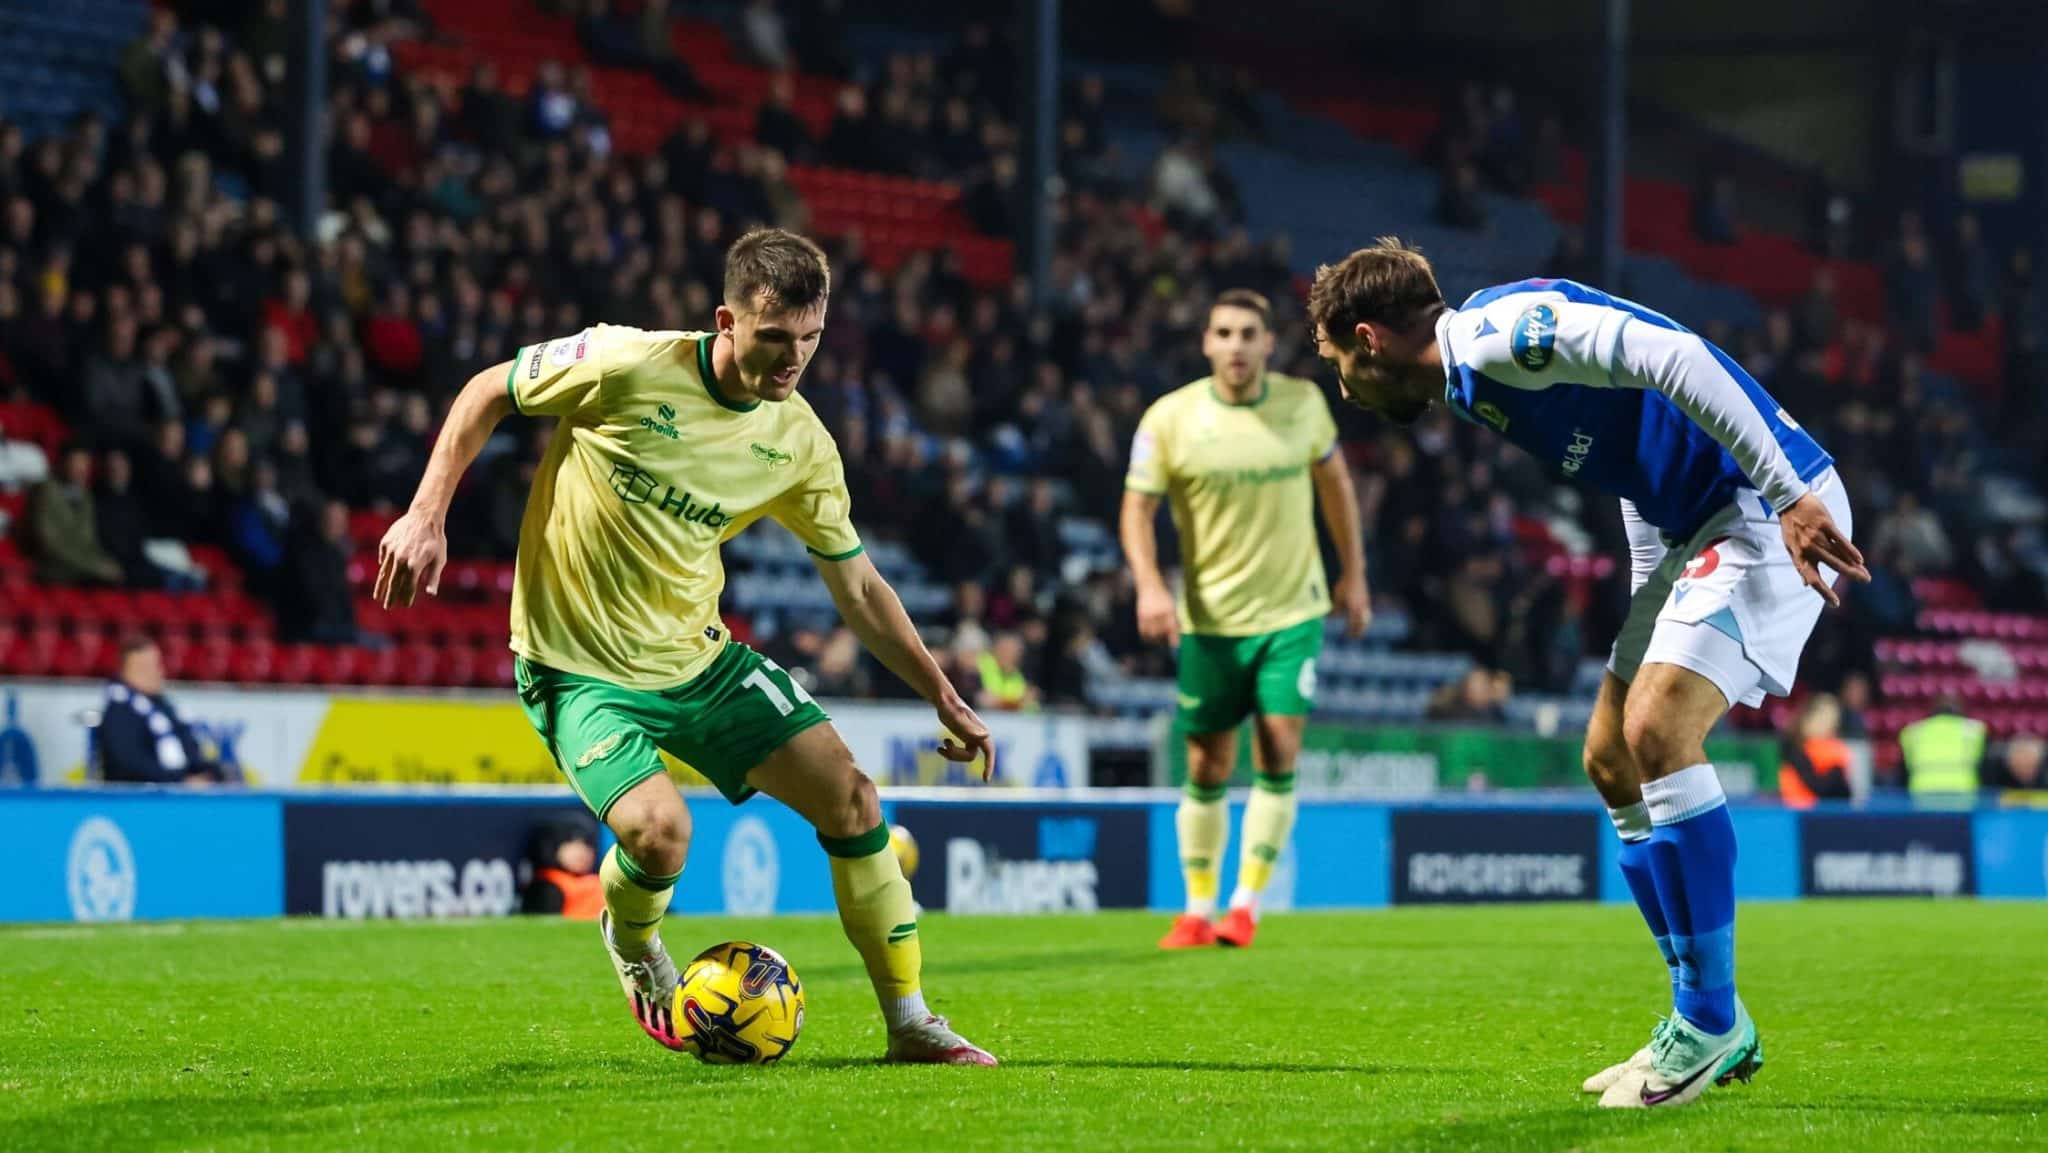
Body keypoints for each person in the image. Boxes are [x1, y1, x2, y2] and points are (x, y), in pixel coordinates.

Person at [374, 228, 997, 1065]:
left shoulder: (800, 442)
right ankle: (635, 946)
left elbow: (857, 585)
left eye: (809, 341)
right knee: (660, 834)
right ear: (726, 321)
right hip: (576, 664)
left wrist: (940, 689)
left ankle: (912, 1021)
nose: (791, 361)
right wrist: (426, 513)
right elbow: (488, 389)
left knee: (855, 800)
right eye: (775, 339)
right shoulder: (625, 364)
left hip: (699, 660)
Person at [1308, 239, 1865, 1109]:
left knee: (1658, 731)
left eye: (1341, 363)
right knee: (1610, 754)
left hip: (1759, 504)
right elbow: (1632, 456)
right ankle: (1701, 1016)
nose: (1345, 387)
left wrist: (1789, 493)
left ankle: (1711, 1018)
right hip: (1691, 529)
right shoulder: (1476, 385)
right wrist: (1656, 591)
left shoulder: (1499, 336)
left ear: (1370, 338)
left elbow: (1675, 355)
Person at [1121, 288, 1370, 951]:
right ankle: (1197, 908)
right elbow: (1136, 509)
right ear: (1206, 342)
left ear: (1268, 343)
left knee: (1280, 744)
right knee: (1205, 763)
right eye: (1224, 332)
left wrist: (1355, 573)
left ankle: (1245, 903)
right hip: (1209, 617)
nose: (1236, 344)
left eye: (1248, 333)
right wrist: (1149, 584)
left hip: (1294, 608)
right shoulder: (1169, 419)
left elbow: (1336, 488)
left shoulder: (1303, 405)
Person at [97, 637, 231, 785]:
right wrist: (181, 781)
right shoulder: (119, 711)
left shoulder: (164, 708)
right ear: (127, 671)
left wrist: (211, 773)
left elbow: (191, 753)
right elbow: (128, 764)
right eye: (147, 667)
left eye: (156, 665)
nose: (158, 672)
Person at [29, 446, 124, 586]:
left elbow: (89, 540)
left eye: (85, 464)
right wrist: (94, 566)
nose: (81, 469)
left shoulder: (86, 495)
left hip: (81, 564)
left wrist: (103, 561)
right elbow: (49, 543)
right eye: (76, 463)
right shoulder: (45, 491)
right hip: (53, 565)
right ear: (62, 464)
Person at [1898, 696, 1986, 800]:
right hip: (1963, 791)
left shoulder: (1913, 731)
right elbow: (1984, 767)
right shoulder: (1975, 730)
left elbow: (1904, 769)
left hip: (1922, 792)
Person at [1777, 693, 1852, 808]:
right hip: (1799, 814)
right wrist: (1835, 772)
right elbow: (1815, 786)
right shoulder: (1794, 748)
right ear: (1810, 717)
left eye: (1832, 720)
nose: (1828, 725)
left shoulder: (1836, 749)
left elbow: (1845, 793)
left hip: (1831, 813)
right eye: (1823, 718)